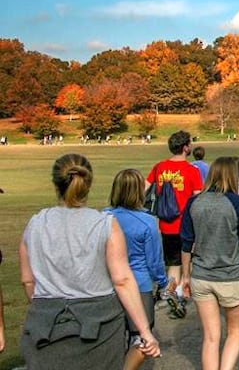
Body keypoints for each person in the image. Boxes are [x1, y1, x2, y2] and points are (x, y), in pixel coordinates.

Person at [19, 154, 161, 368]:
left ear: (56, 183)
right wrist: (144, 331)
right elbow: (122, 280)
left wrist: (47, 308)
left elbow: (28, 281)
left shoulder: (36, 223)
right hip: (98, 327)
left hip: (45, 325)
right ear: (88, 183)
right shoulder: (105, 224)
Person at [180, 156, 239, 370]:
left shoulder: (194, 202)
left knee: (210, 337)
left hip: (201, 275)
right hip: (232, 276)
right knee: (235, 332)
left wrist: (186, 276)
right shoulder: (238, 203)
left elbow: (186, 243)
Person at [105, 169, 169, 370]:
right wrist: (163, 282)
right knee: (141, 338)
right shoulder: (147, 222)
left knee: (113, 338)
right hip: (139, 286)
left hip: (109, 284)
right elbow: (154, 260)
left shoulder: (103, 217)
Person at [145, 130, 203, 319]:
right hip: (185, 224)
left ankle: (171, 291)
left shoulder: (160, 167)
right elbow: (197, 199)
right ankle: (178, 294)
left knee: (173, 263)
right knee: (187, 261)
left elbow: (144, 188)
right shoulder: (191, 171)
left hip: (165, 224)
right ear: (186, 147)